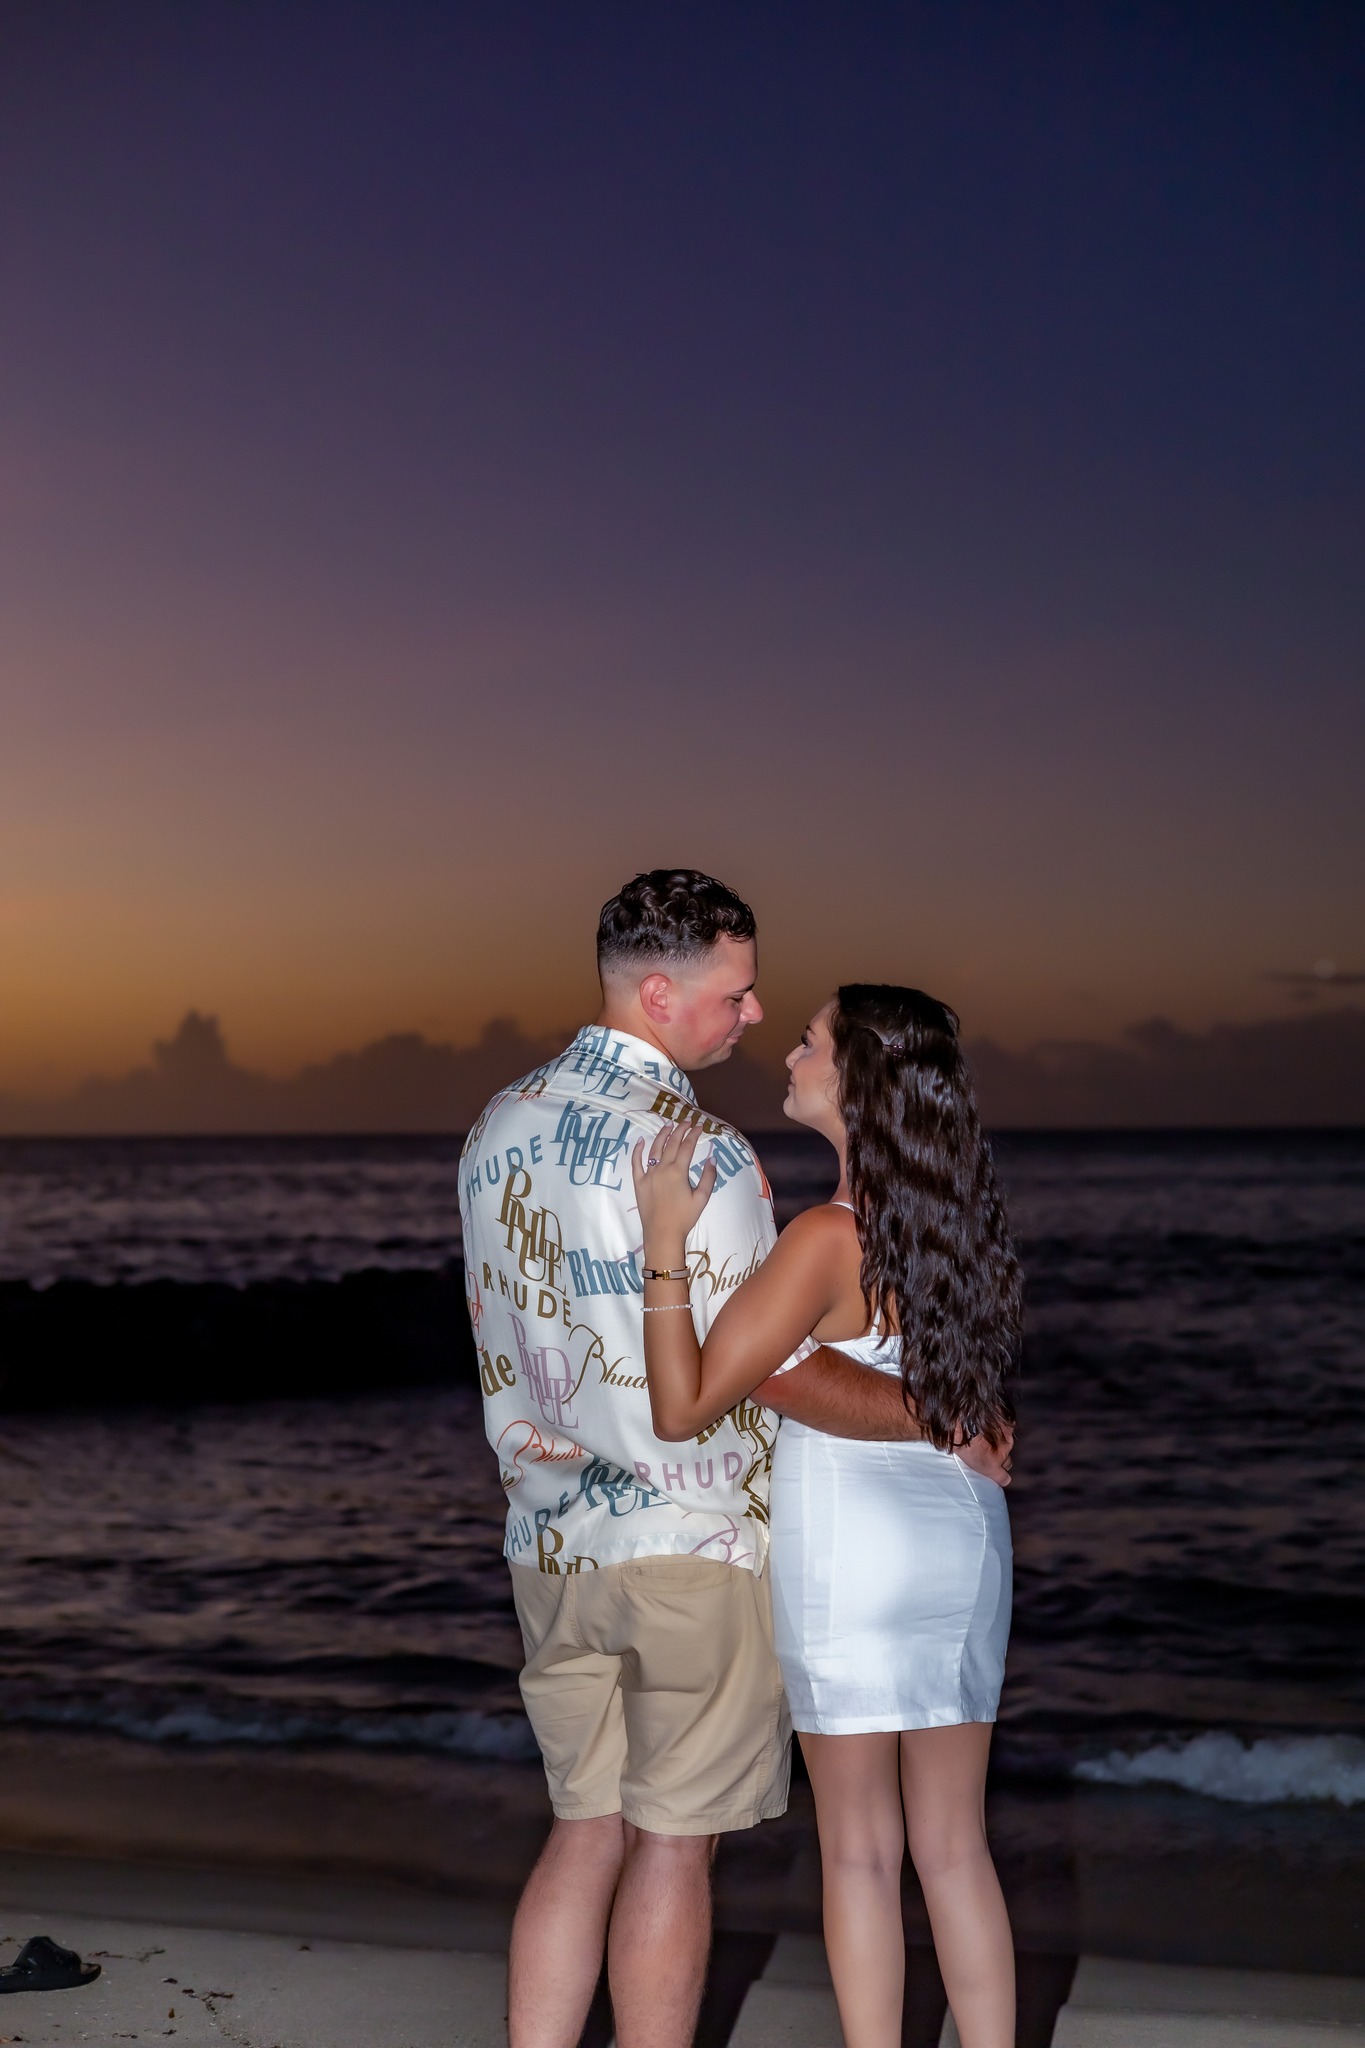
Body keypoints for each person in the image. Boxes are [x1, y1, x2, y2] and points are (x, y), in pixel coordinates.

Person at [460, 873, 1005, 2048]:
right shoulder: (704, 1154)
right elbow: (762, 1370)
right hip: (692, 1545)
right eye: (738, 991)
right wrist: (944, 1412)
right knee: (671, 1840)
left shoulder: (495, 1127)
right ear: (660, 991)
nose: (755, 1016)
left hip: (548, 1538)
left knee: (582, 1824)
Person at [632, 984, 1020, 2048]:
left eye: (809, 1041)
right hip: (964, 1538)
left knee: (857, 1844)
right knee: (955, 1843)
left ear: (856, 1079)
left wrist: (668, 1239)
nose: (791, 1052)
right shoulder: (962, 1230)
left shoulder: (823, 1237)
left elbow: (687, 1400)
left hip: (853, 1544)